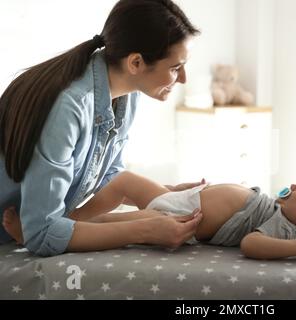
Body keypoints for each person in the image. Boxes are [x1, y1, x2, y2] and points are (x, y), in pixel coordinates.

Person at [0, 0, 205, 256]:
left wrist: (164, 195)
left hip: (30, 224)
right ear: (136, 63)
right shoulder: (69, 107)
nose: (184, 79)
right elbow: (42, 233)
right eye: (175, 68)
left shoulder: (125, 93)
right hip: (16, 232)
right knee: (145, 221)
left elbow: (107, 175)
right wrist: (146, 231)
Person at [4, 172, 296, 260]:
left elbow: (251, 244)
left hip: (179, 220)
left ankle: (36, 235)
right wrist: (182, 189)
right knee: (123, 181)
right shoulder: (280, 208)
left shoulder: (284, 231)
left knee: (107, 226)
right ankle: (61, 218)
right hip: (183, 200)